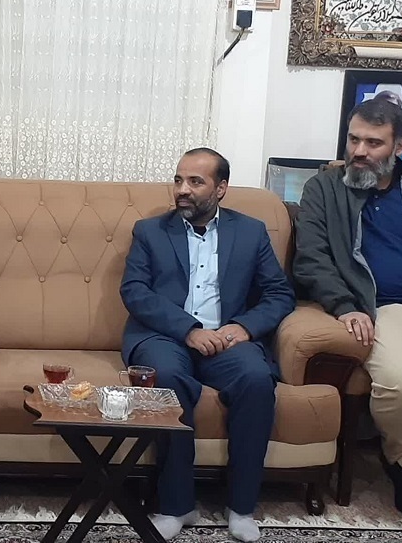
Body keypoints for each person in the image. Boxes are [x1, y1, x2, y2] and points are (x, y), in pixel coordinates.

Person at [120, 148, 295, 542]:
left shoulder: (251, 232)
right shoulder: (149, 231)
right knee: (166, 377)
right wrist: (188, 330)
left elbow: (279, 293)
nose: (182, 189)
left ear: (221, 188)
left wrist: (244, 328)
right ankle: (175, 505)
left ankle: (241, 506)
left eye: (195, 182)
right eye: (178, 180)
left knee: (255, 379)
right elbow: (135, 292)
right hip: (167, 336)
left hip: (227, 339)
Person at [294, 98, 402, 517]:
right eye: (354, 139)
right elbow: (311, 259)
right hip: (386, 308)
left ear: (400, 146)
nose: (359, 151)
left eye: (374, 143)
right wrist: (345, 306)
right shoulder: (324, 189)